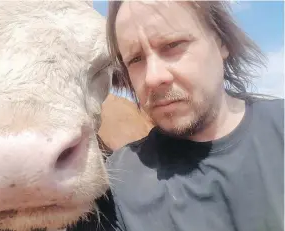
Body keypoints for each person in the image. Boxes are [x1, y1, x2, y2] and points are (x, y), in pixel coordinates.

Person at [93, 1, 283, 231]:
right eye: (135, 59)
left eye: (172, 45)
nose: (153, 77)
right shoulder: (115, 186)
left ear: (221, 42)